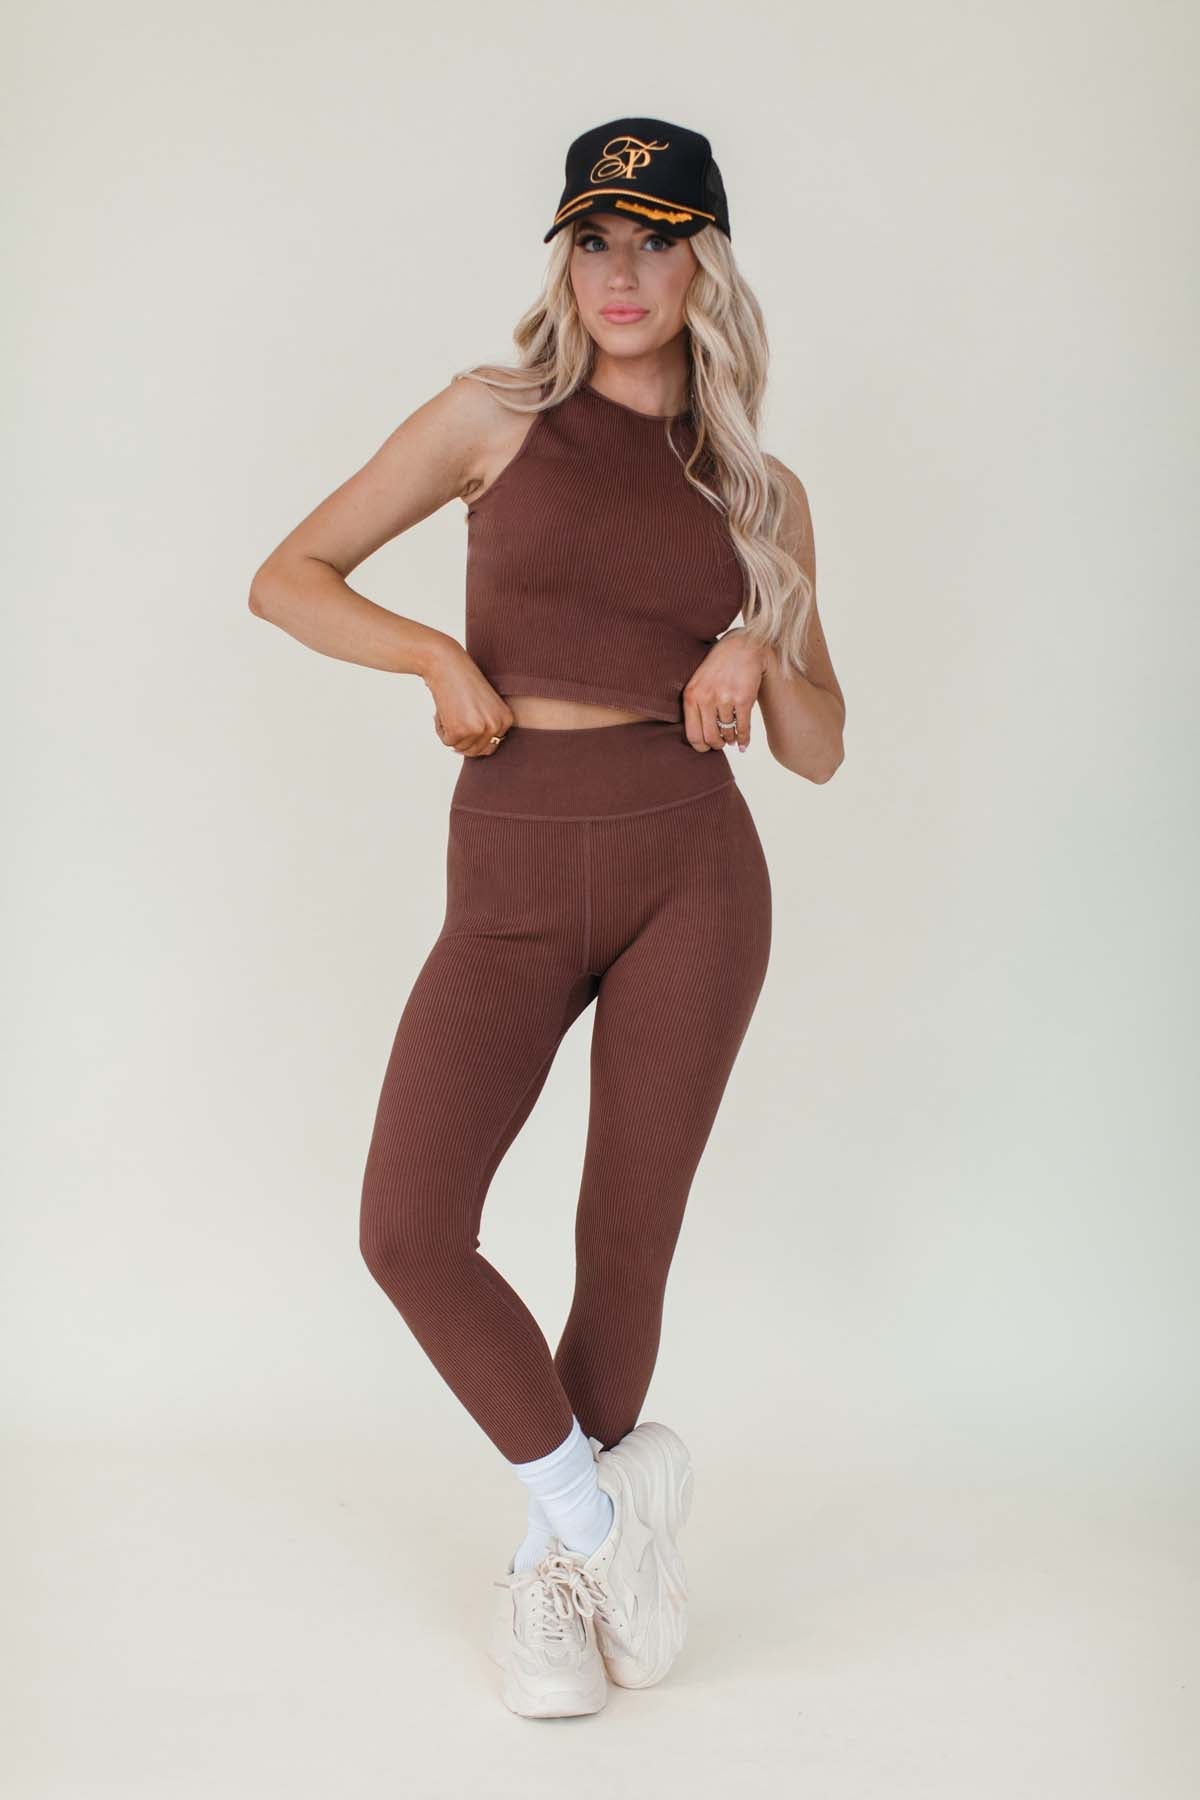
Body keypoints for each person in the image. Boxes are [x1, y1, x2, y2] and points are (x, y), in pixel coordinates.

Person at [248, 115, 846, 1719]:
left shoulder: (759, 488)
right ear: (564, 257)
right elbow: (289, 575)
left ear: (707, 264)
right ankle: (599, 1521)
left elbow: (819, 748)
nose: (621, 274)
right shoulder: (490, 418)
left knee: (619, 1244)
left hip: (691, 874)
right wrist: (434, 658)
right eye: (595, 239)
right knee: (408, 1227)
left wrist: (761, 647)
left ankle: (546, 1582)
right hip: (509, 870)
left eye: (656, 241)